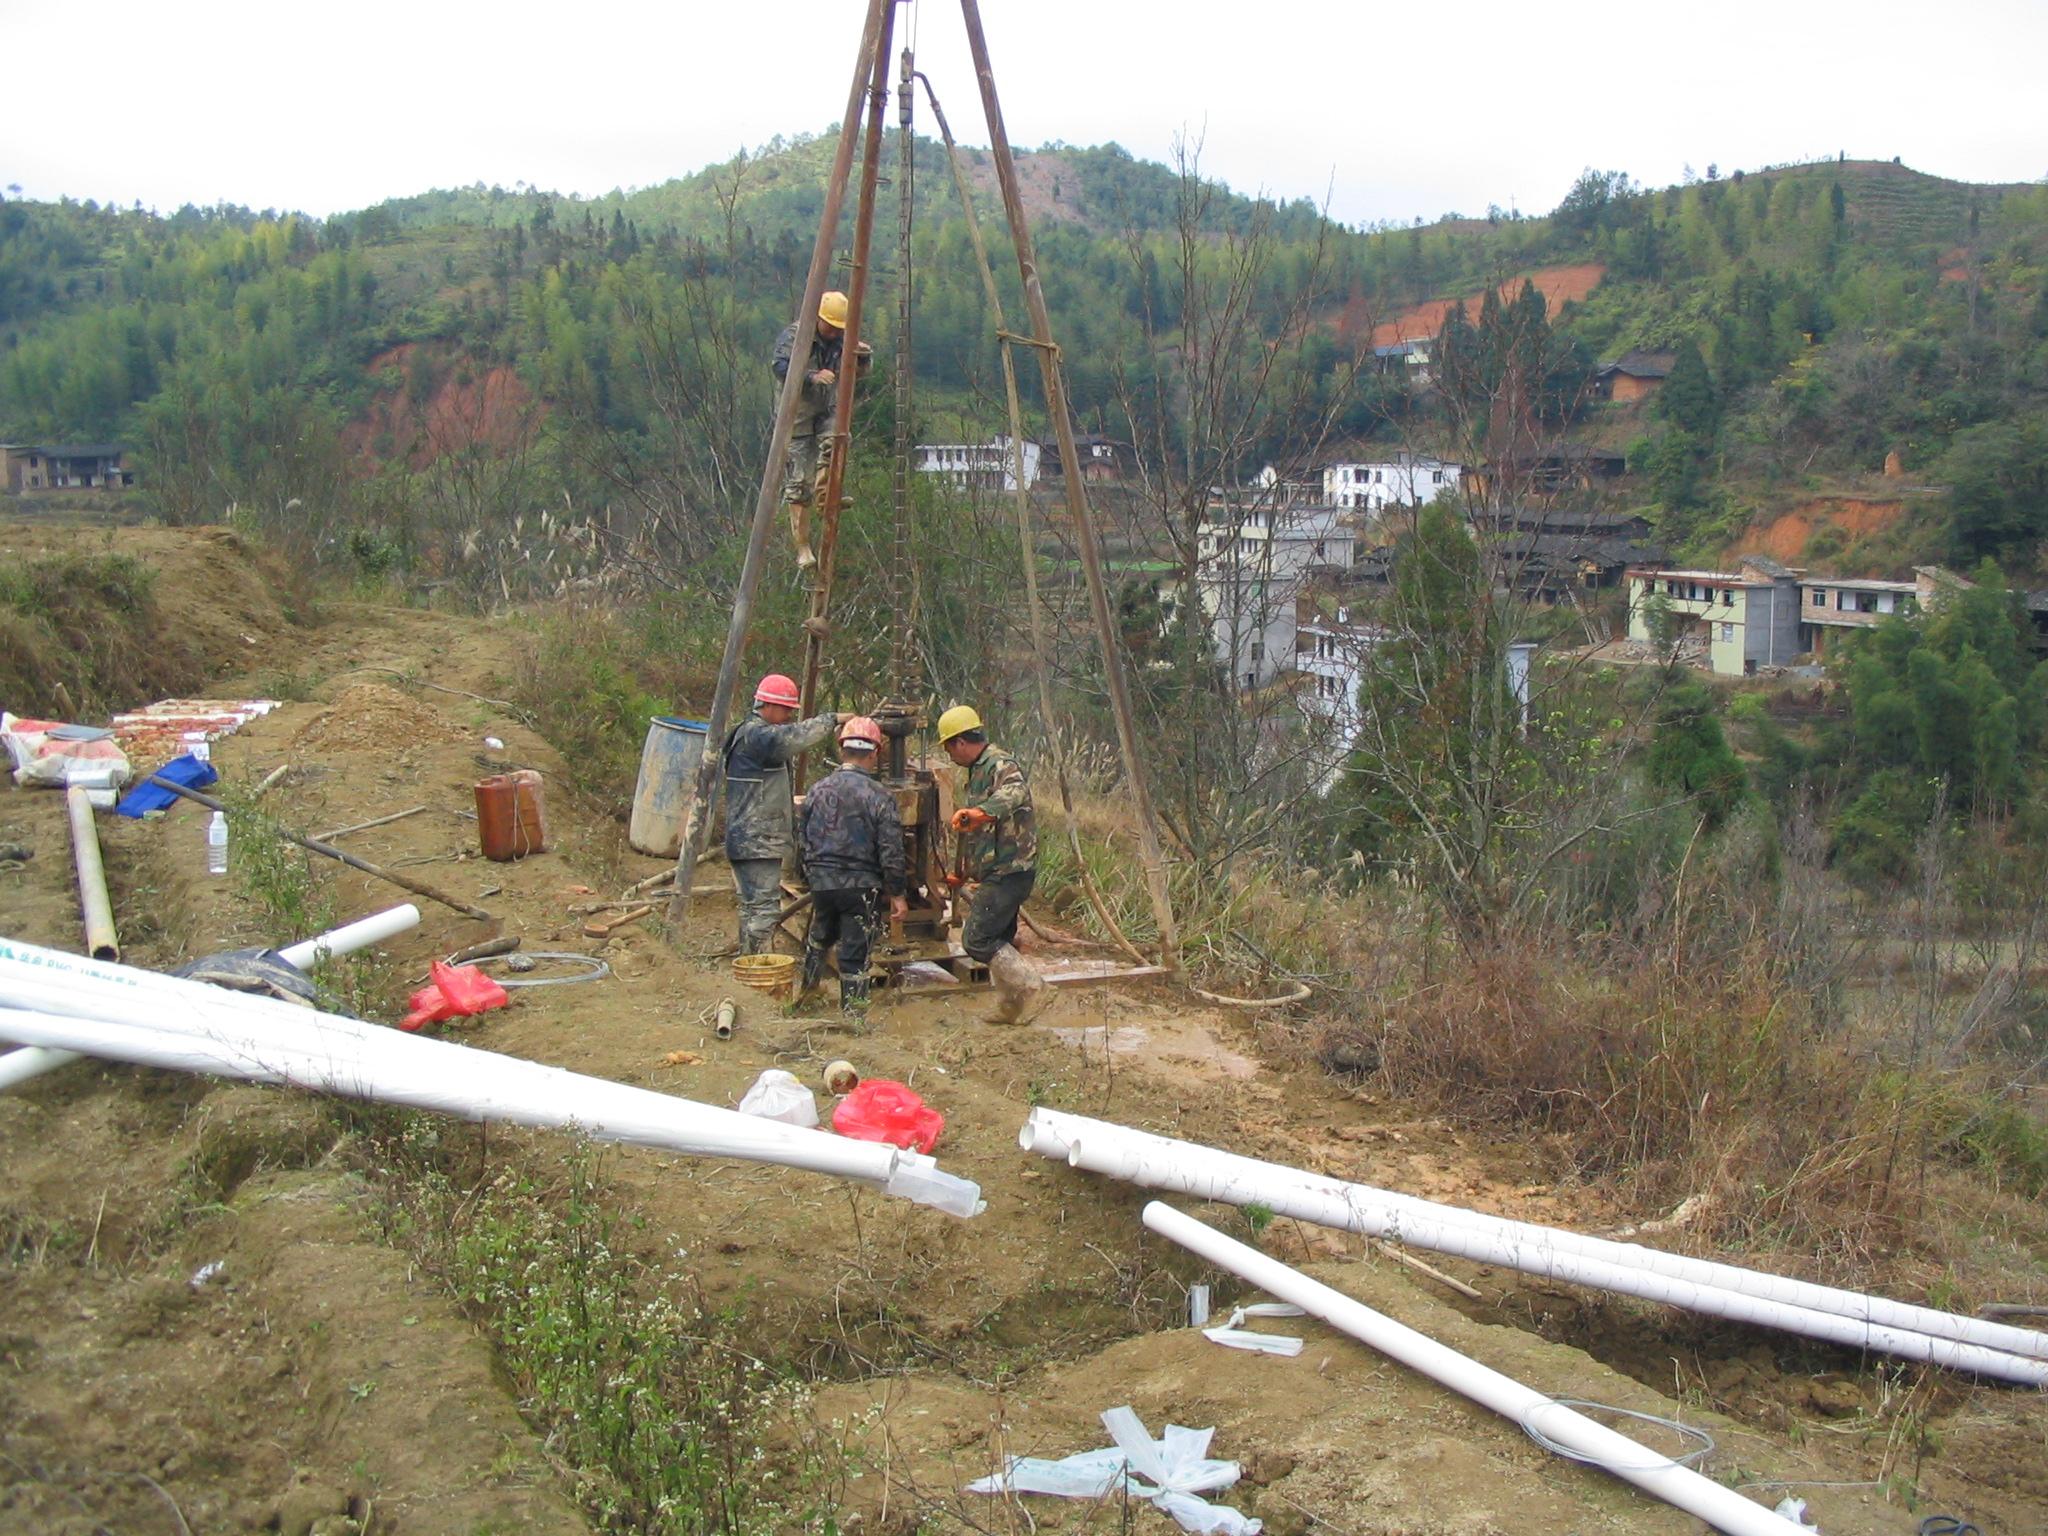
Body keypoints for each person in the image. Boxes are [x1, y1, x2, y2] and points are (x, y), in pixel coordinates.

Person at [936, 704, 1047, 1024]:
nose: (950, 755)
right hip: (999, 868)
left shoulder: (999, 763)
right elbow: (985, 835)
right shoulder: (978, 770)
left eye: (948, 747)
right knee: (1000, 937)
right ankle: (1012, 1007)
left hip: (1011, 869)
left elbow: (1016, 792)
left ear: (960, 742)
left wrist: (980, 812)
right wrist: (965, 874)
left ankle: (1032, 989)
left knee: (977, 939)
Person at [796, 716, 909, 1015]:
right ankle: (854, 1018)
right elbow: (891, 850)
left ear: (842, 750)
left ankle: (805, 997)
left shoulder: (817, 790)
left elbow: (802, 838)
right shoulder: (880, 796)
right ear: (874, 753)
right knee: (855, 953)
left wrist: (811, 875)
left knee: (819, 936)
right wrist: (897, 893)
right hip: (860, 887)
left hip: (822, 882)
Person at [723, 672, 841, 955]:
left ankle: (746, 962)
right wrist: (831, 719)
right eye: (786, 709)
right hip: (757, 842)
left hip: (744, 838)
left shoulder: (746, 733)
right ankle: (759, 968)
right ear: (770, 705)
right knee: (763, 911)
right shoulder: (758, 736)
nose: (789, 716)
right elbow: (793, 738)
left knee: (750, 906)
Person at [771, 290, 873, 571]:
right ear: (818, 319)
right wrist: (811, 377)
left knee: (837, 441)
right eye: (829, 327)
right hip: (797, 416)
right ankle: (803, 547)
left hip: (826, 408)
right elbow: (779, 366)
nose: (833, 333)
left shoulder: (841, 338)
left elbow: (855, 372)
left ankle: (827, 495)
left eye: (838, 328)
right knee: (798, 484)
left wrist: (862, 358)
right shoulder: (795, 335)